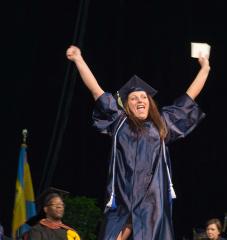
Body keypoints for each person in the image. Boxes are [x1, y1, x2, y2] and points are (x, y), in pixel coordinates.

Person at [66, 45, 210, 240]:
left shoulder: (162, 123)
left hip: (151, 202)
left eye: (144, 97)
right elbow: (96, 91)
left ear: (150, 103)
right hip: (123, 198)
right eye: (134, 98)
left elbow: (188, 98)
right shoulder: (119, 121)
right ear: (127, 105)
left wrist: (204, 69)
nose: (140, 100)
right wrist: (78, 60)